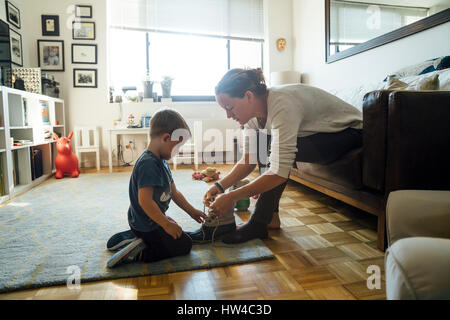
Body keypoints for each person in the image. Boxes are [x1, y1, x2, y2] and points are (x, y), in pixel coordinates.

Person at [204, 68, 363, 244]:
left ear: (249, 96)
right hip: (317, 136)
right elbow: (248, 161)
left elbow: (278, 171)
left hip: (349, 133)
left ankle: (258, 222)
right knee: (267, 142)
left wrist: (232, 197)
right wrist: (219, 186)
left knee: (275, 149)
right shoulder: (250, 117)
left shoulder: (282, 103)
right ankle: (272, 217)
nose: (228, 115)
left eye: (230, 107)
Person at [106, 108, 207, 268]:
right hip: (146, 224)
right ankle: (138, 252)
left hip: (148, 219)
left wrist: (191, 211)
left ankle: (135, 236)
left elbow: (174, 193)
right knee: (184, 245)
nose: (177, 152)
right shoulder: (149, 164)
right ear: (166, 138)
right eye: (177, 147)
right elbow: (145, 201)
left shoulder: (162, 161)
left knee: (177, 231)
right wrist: (166, 224)